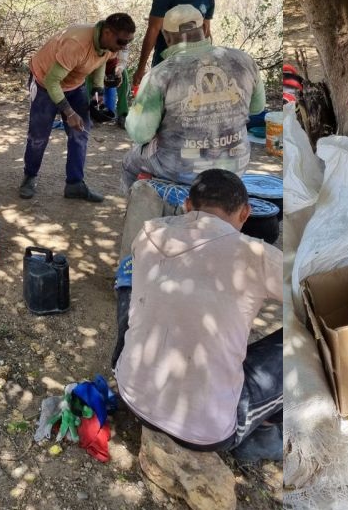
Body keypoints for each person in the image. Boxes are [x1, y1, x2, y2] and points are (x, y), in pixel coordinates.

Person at [113, 169, 283, 461]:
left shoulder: (150, 231)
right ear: (246, 213)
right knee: (303, 340)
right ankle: (261, 436)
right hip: (205, 430)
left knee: (130, 286)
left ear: (188, 205)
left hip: (131, 394)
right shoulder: (257, 255)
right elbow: (306, 292)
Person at [122, 4, 265, 190]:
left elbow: (140, 134)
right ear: (205, 28)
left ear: (166, 36)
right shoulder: (243, 60)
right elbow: (257, 108)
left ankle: (140, 205)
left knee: (130, 162)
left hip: (179, 170)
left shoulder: (160, 74)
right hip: (236, 165)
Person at [19, 13, 137, 201]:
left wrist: (97, 91)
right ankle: (29, 176)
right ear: (107, 32)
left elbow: (100, 61)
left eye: (128, 42)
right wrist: (69, 112)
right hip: (44, 82)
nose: (124, 47)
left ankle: (74, 184)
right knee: (38, 136)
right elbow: (52, 81)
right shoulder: (77, 44)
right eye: (122, 42)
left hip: (74, 84)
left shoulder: (109, 44)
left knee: (80, 133)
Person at [131, 0, 220, 88]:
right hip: (165, 63)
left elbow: (206, 32)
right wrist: (141, 68)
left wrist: (208, 62)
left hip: (194, 65)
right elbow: (153, 30)